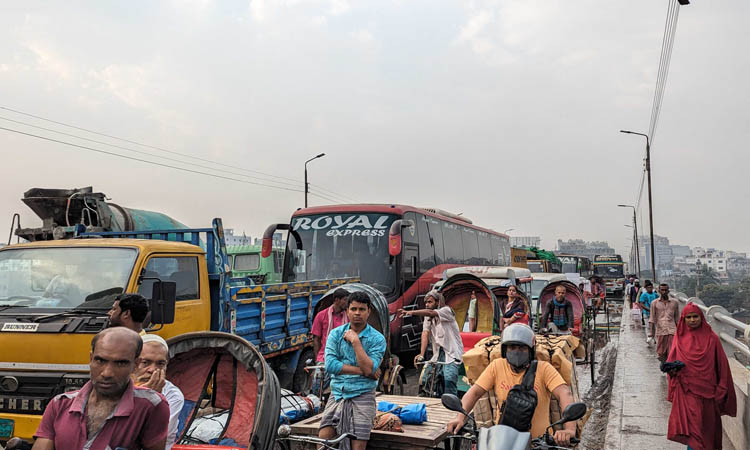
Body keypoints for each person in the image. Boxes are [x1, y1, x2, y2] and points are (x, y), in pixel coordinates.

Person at [32, 327, 170, 450]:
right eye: (100, 361)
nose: (107, 373)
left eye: (120, 363)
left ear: (135, 364)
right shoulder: (60, 404)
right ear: (91, 359)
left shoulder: (151, 406)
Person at [446, 324, 576, 446]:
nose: (517, 352)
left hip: (538, 443)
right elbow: (474, 392)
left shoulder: (544, 368)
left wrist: (569, 430)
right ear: (505, 350)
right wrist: (460, 417)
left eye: (522, 348)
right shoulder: (497, 366)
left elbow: (564, 393)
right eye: (512, 347)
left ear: (530, 350)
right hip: (503, 442)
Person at [320, 291, 387, 450]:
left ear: (368, 312)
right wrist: (364, 371)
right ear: (347, 311)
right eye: (354, 309)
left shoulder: (377, 339)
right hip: (337, 393)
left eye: (362, 309)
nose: (357, 313)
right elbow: (330, 365)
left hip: (363, 394)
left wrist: (356, 342)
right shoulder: (335, 334)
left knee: (358, 446)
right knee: (323, 441)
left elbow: (370, 367)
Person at [666, 303, 736, 450]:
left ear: (701, 318)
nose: (692, 320)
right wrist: (672, 372)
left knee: (707, 431)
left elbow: (721, 366)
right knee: (694, 431)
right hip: (687, 391)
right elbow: (671, 361)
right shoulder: (679, 338)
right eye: (689, 317)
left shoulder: (712, 338)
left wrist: (721, 388)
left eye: (695, 316)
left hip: (709, 393)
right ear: (683, 319)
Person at [398, 290, 463, 397]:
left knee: (449, 379)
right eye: (426, 303)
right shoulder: (427, 317)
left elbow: (430, 312)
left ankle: (451, 407)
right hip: (437, 354)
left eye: (430, 302)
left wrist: (411, 312)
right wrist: (421, 354)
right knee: (426, 380)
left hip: (452, 354)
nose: (427, 305)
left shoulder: (446, 311)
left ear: (437, 303)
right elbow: (425, 333)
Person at [134, 334, 185, 450]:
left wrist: (151, 399)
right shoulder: (118, 386)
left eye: (160, 364)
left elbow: (153, 439)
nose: (152, 370)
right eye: (145, 362)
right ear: (133, 363)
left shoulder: (173, 396)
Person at [310, 288, 349, 396]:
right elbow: (316, 339)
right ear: (337, 300)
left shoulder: (349, 317)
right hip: (325, 355)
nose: (347, 303)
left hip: (344, 355)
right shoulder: (321, 316)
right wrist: (318, 357)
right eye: (345, 300)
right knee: (317, 381)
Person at [649, 283, 679, 363]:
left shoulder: (674, 303)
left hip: (672, 330)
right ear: (659, 291)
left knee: (672, 351)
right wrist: (651, 333)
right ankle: (665, 365)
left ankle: (671, 369)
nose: (664, 292)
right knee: (661, 352)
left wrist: (680, 331)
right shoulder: (654, 303)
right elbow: (652, 318)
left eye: (666, 290)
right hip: (661, 330)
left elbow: (677, 318)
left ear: (668, 291)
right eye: (662, 290)